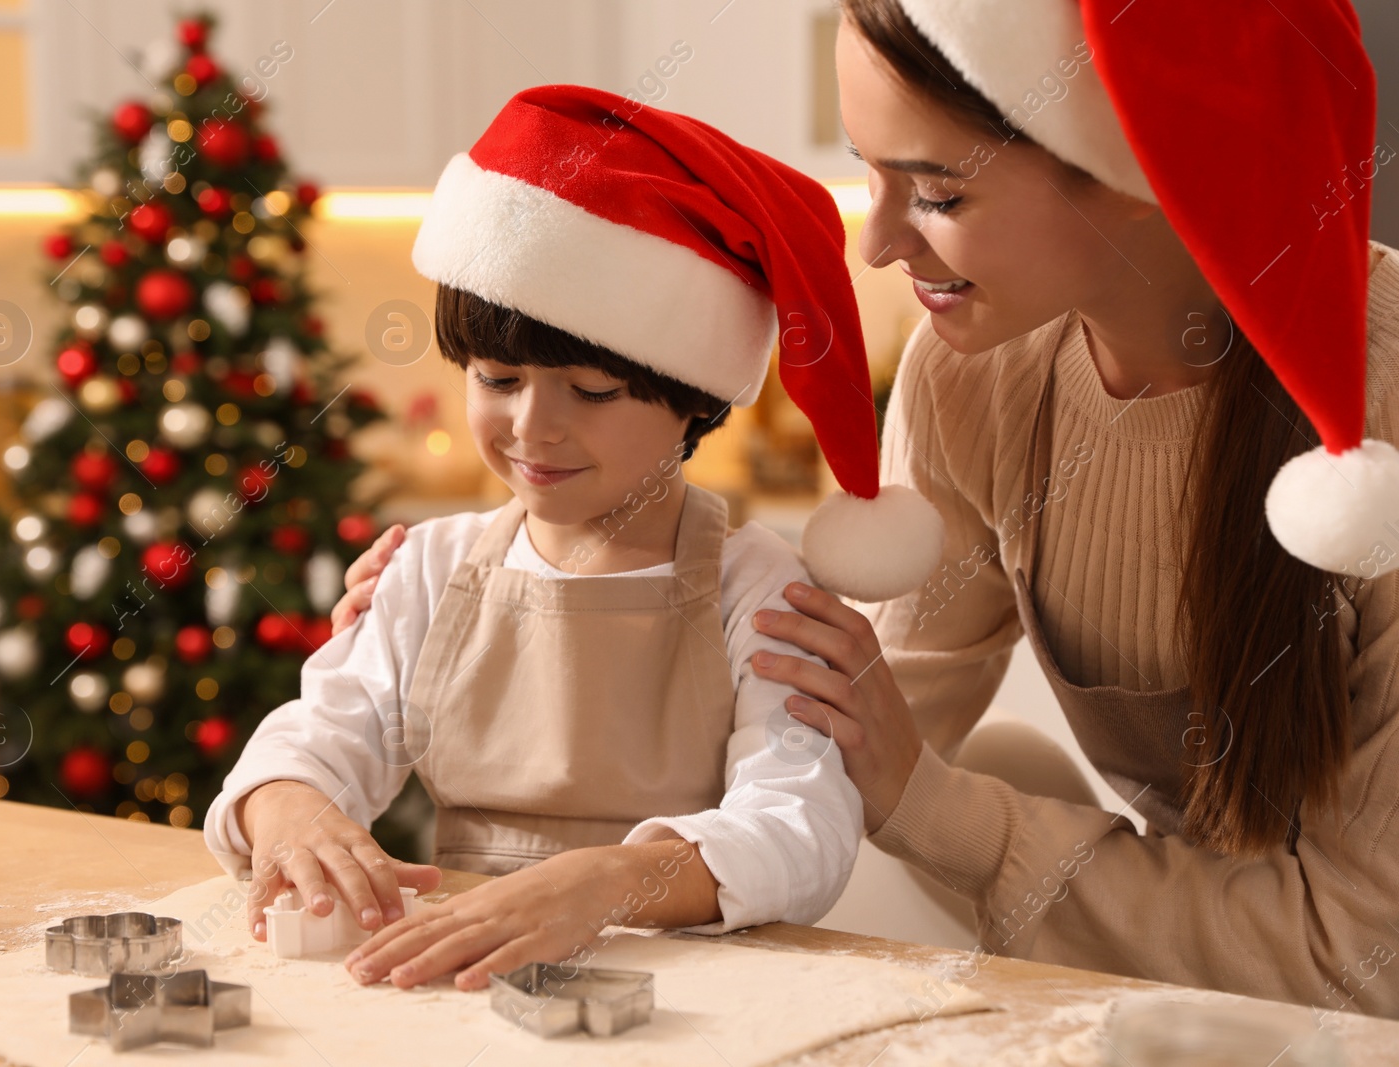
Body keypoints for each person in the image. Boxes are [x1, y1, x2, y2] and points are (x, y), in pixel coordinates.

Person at [334, 1, 1399, 1016]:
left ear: (1134, 160)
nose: (878, 240)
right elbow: (825, 753)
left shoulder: (1378, 422)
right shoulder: (970, 377)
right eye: (871, 176)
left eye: (936, 191)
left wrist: (942, 809)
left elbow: (1360, 958)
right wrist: (491, 621)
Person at [202, 83, 944, 992]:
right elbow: (317, 736)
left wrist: (613, 882)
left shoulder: (754, 588)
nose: (532, 428)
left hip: (690, 995)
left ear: (694, 396)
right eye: (497, 377)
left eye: (590, 391)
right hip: (468, 989)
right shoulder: (430, 570)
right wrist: (287, 808)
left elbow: (800, 828)